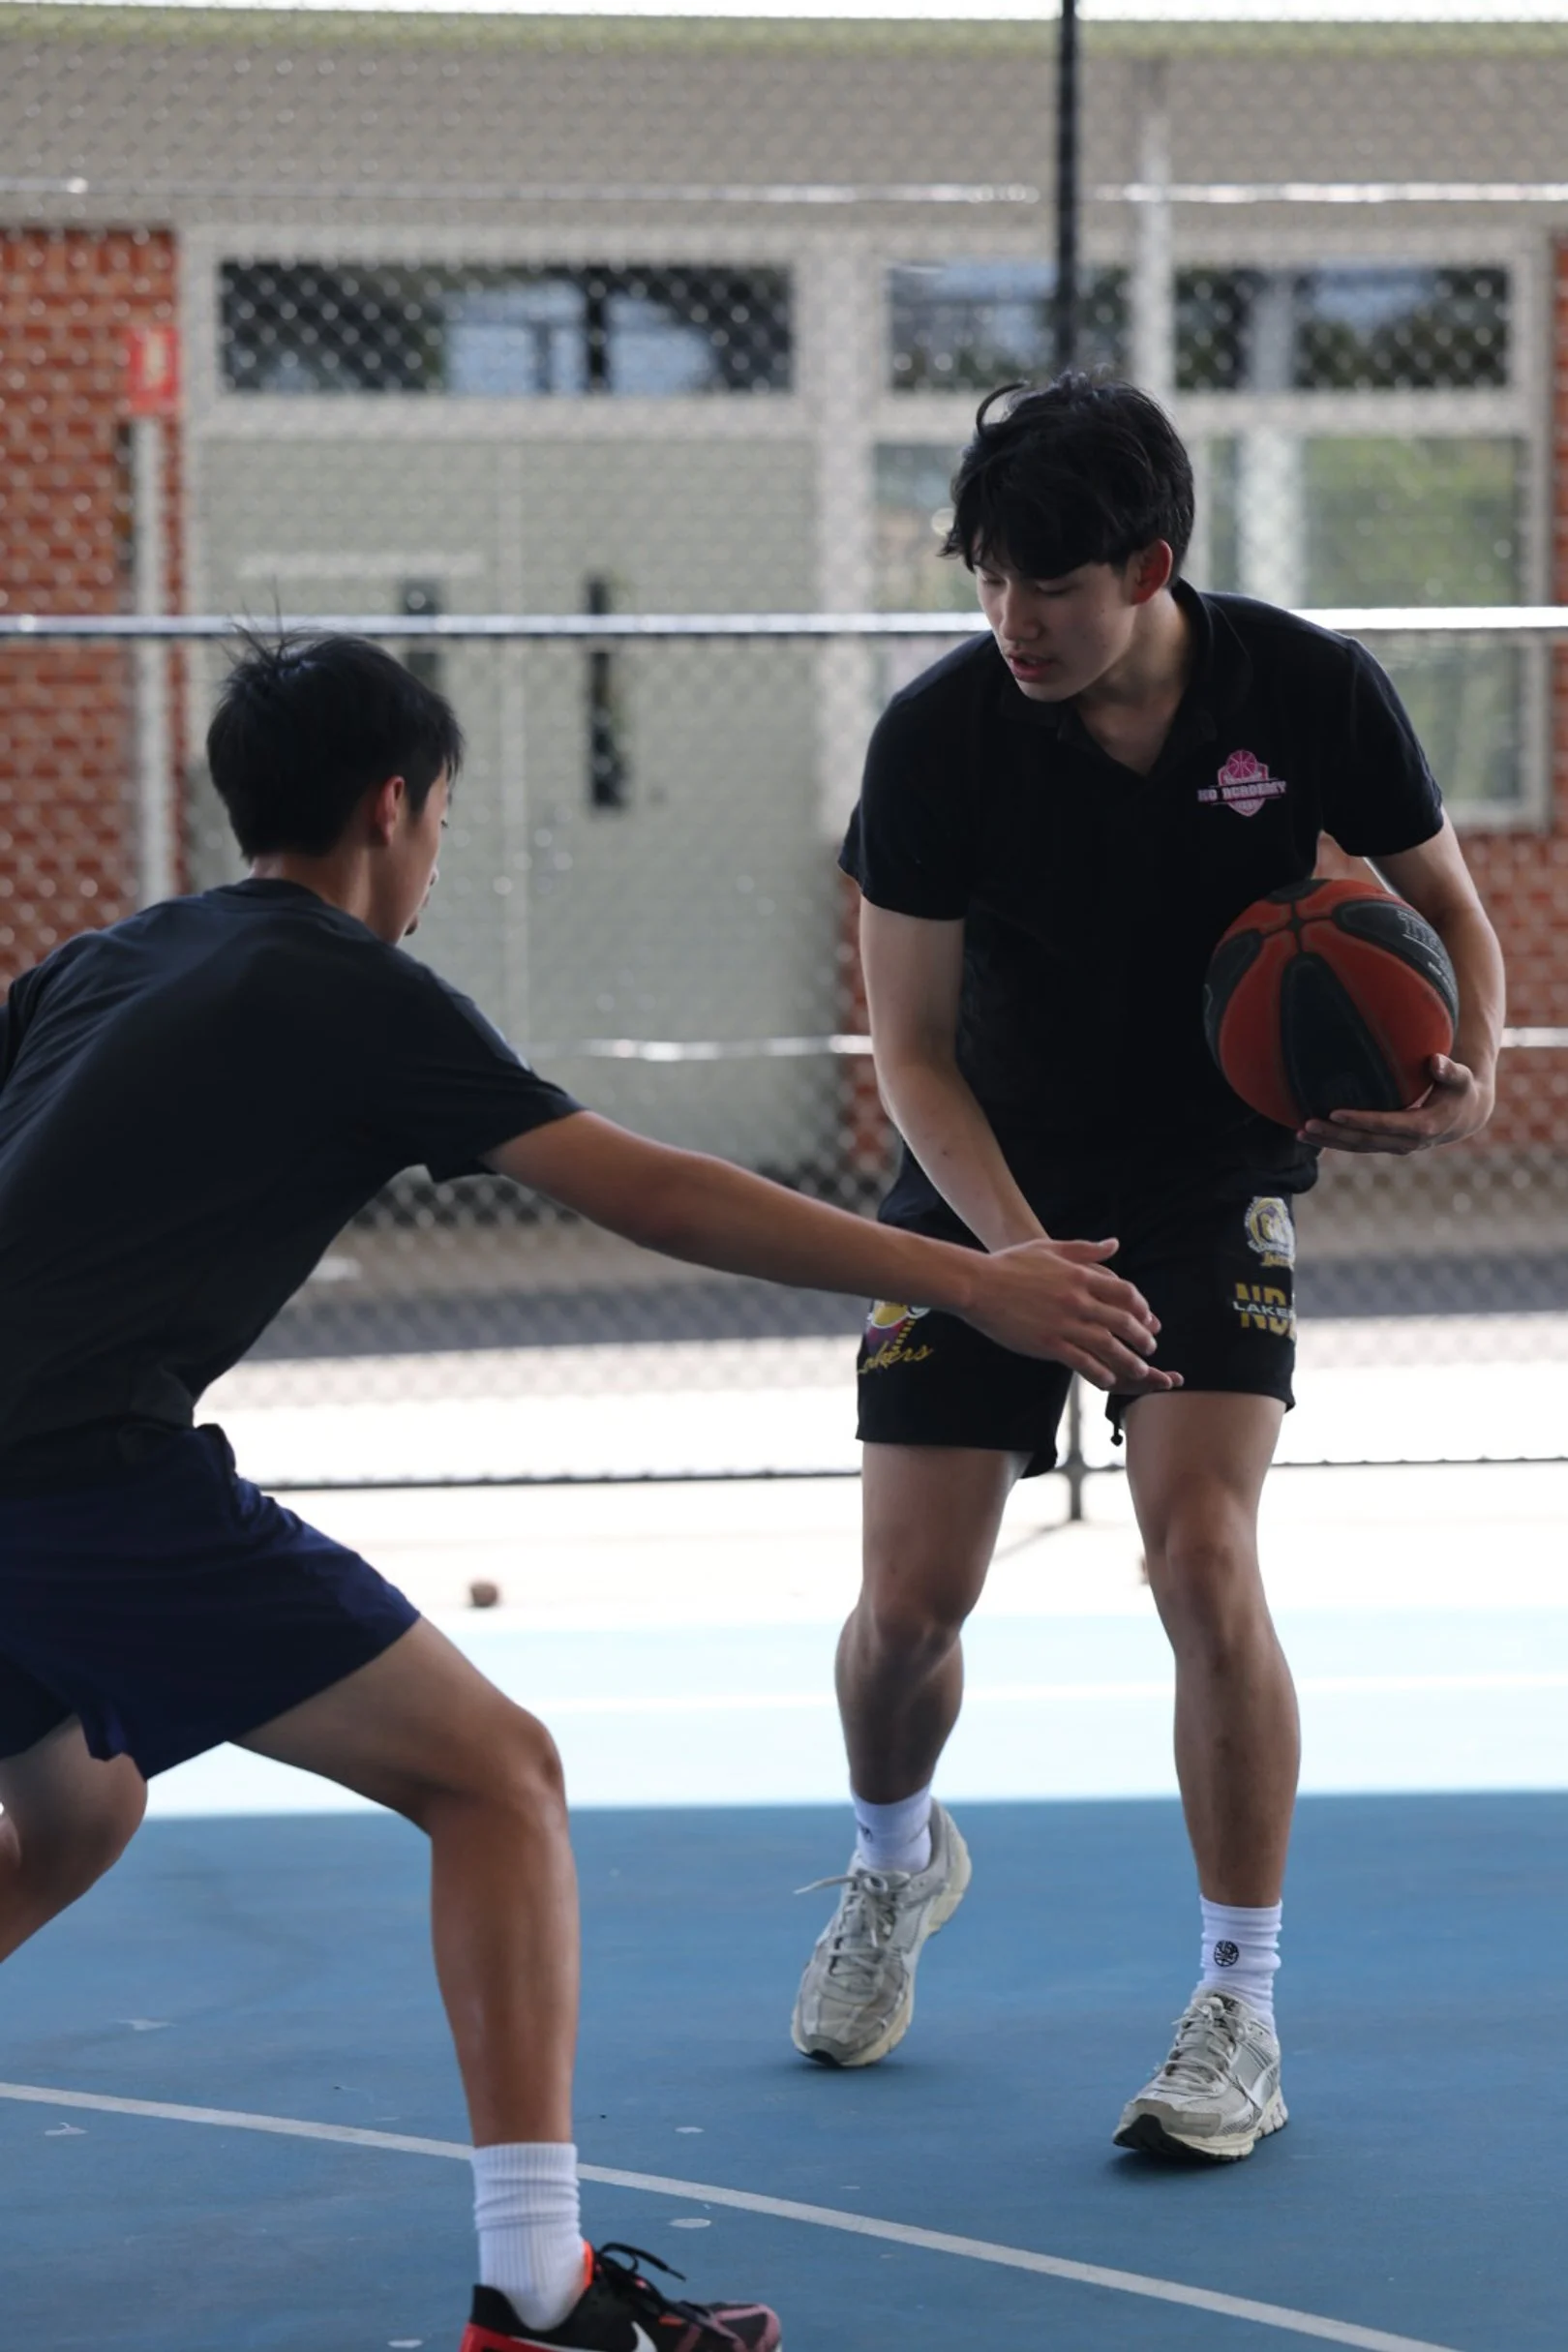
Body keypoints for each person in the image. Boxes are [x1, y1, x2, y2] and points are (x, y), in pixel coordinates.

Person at [0, 633, 1179, 2351]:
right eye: (444, 819)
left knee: (77, 1808)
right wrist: (979, 1279)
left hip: (38, 1465)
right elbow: (656, 1191)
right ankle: (538, 2289)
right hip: (76, 1470)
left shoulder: (112, 954)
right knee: (498, 1780)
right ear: (396, 808)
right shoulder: (345, 983)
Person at [791, 376, 1505, 2163]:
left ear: (1151, 565)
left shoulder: (1306, 688)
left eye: (1050, 586)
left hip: (1207, 1176)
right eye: (986, 583)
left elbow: (1453, 913)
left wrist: (1467, 1070)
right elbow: (915, 1053)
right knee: (906, 1614)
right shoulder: (940, 739)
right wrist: (1015, 1258)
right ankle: (895, 1862)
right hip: (986, 1176)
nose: (1013, 621)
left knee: (1201, 1552)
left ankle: (1238, 2007)